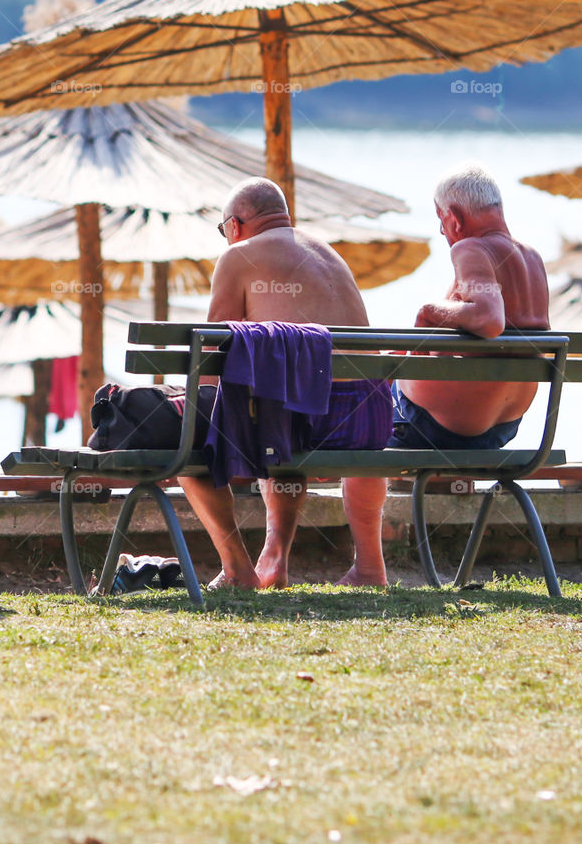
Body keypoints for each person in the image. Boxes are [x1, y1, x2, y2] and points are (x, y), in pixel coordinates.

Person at [179, 177, 392, 591]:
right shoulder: (328, 252)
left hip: (306, 416)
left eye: (224, 230)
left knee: (189, 433)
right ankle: (365, 566)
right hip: (369, 416)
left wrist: (188, 403)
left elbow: (210, 360)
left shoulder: (238, 256)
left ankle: (239, 568)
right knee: (277, 403)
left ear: (235, 225)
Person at [394, 164, 549, 449]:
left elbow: (489, 319)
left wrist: (428, 311)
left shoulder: (470, 248)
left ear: (453, 217)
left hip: (441, 426)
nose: (441, 231)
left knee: (368, 404)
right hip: (503, 426)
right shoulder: (532, 258)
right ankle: (443, 489)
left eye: (440, 219)